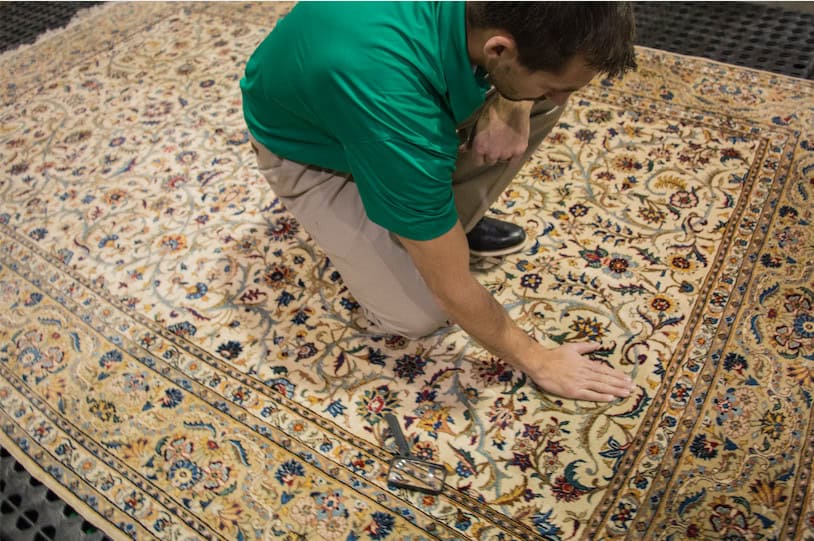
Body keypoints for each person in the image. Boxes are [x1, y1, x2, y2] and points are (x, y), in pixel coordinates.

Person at [240, 2, 638, 402]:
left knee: (532, 97)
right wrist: (538, 359)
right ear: (499, 49)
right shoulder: (393, 100)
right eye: (557, 86)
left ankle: (428, 212)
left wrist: (514, 102)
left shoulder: (492, 28)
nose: (563, 100)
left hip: (367, 94)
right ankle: (422, 216)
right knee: (417, 314)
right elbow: (452, 289)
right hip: (308, 145)